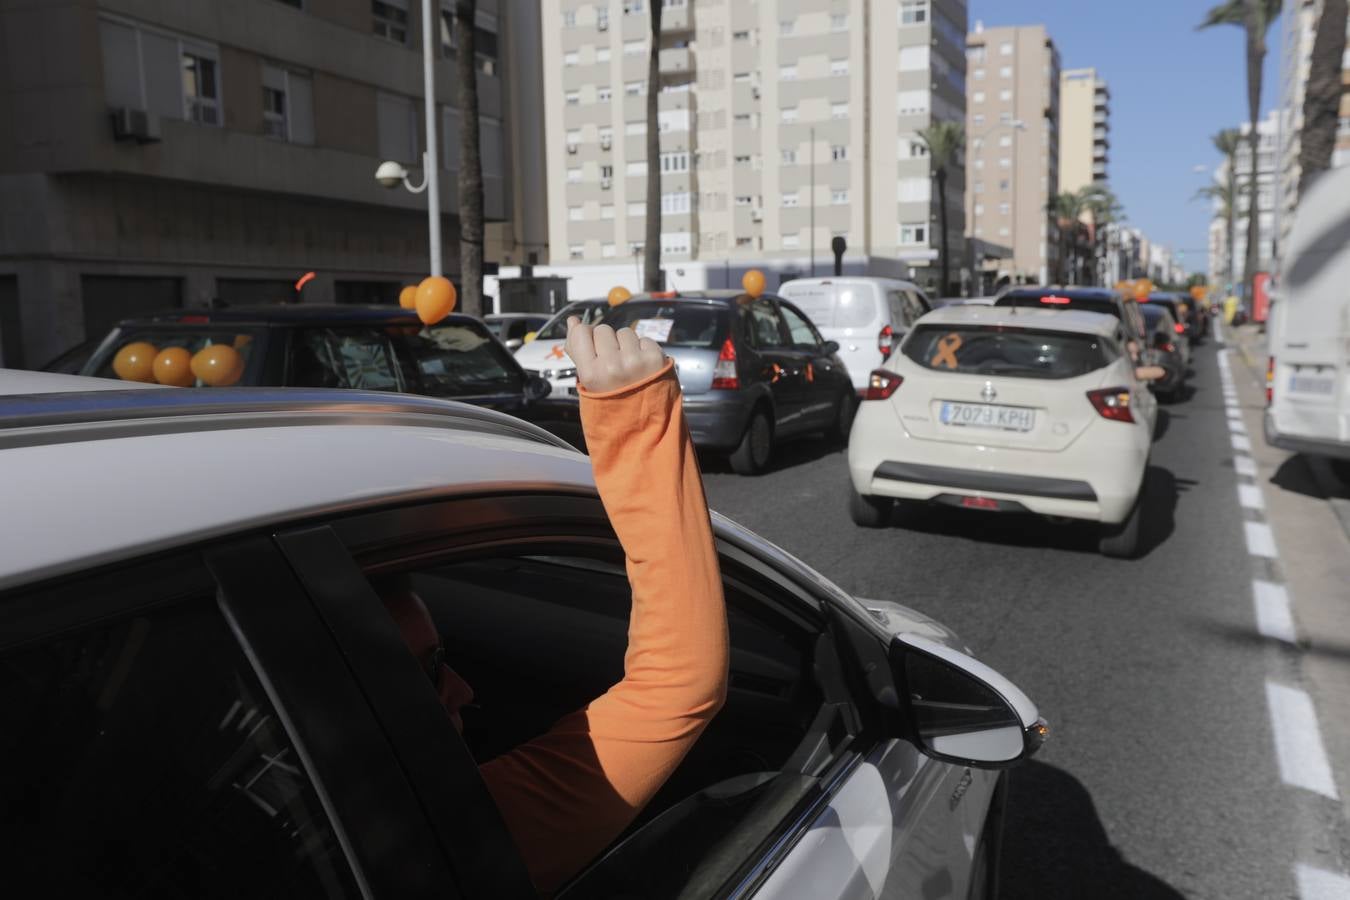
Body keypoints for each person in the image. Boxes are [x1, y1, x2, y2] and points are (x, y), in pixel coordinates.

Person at [382, 316, 730, 895]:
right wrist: (637, 418)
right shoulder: (453, 834)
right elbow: (679, 684)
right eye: (429, 673)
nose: (464, 690)